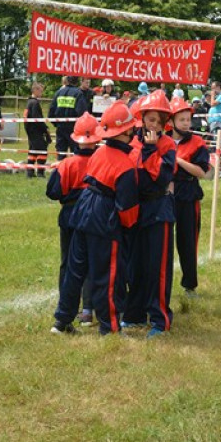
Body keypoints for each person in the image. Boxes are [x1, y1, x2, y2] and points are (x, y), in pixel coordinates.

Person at [51, 102, 140, 336]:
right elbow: (127, 207)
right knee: (106, 274)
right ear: (125, 132)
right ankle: (109, 326)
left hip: (83, 209)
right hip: (104, 216)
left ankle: (61, 321)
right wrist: (129, 228)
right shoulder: (126, 165)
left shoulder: (99, 151)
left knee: (75, 269)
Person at [125, 90, 178, 337]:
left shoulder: (167, 145)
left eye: (158, 120)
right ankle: (134, 314)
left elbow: (162, 177)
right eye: (150, 119)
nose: (153, 124)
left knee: (158, 267)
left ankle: (160, 319)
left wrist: (150, 149)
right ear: (142, 117)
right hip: (136, 210)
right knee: (135, 265)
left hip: (159, 210)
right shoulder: (131, 141)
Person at [46, 112, 102, 326]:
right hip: (95, 215)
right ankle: (88, 310)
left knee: (68, 264)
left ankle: (66, 306)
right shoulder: (102, 159)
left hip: (70, 216)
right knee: (91, 263)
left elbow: (53, 192)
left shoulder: (67, 164)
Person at [169, 97, 210, 297]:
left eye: (188, 119)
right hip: (165, 196)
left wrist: (178, 161)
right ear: (172, 121)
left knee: (187, 242)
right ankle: (162, 282)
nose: (186, 123)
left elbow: (202, 172)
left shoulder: (197, 142)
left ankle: (190, 285)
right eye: (182, 119)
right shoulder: (163, 139)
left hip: (188, 195)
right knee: (164, 242)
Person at [51, 75, 86, 159]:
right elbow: (82, 113)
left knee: (61, 154)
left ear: (67, 81)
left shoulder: (58, 93)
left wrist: (57, 124)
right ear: (77, 82)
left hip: (60, 128)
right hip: (74, 129)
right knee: (75, 154)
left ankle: (59, 171)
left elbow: (51, 113)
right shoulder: (78, 93)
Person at [24, 82, 51, 178]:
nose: (42, 93)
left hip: (30, 131)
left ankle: (30, 172)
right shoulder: (35, 103)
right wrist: (45, 129)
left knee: (32, 151)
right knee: (42, 151)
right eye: (40, 90)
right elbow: (37, 119)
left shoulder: (29, 102)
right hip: (36, 131)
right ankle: (40, 172)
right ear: (35, 90)